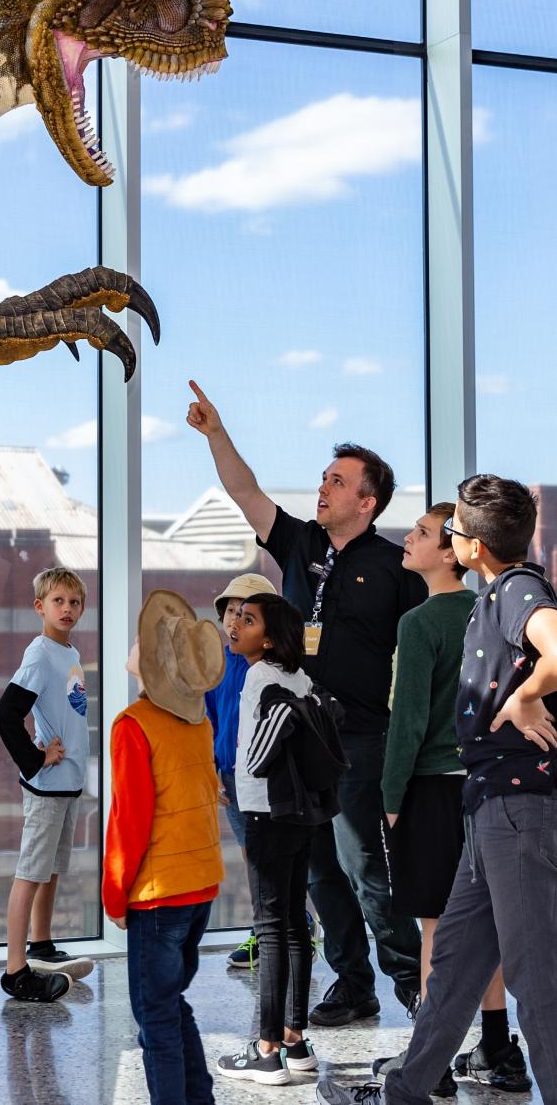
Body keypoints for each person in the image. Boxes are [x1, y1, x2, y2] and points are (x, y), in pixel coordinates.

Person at [186, 380, 425, 1025]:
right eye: (323, 476)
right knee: (317, 868)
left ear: (367, 502)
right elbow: (245, 493)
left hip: (359, 738)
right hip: (293, 733)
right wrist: (215, 433)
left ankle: (414, 985)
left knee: (364, 867)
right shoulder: (300, 543)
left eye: (337, 481)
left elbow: (429, 650)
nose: (323, 487)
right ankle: (353, 985)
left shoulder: (398, 564)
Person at [318, 474, 557, 1105]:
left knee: (535, 977)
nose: (443, 535)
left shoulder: (518, 589)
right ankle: (406, 1090)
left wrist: (528, 697)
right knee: (452, 965)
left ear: (472, 545)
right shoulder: (491, 597)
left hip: (518, 811)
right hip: (487, 807)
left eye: (449, 530)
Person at [373, 503, 527, 1094]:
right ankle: (496, 1048)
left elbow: (406, 719)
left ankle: (429, 1061)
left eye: (421, 533)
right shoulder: (492, 611)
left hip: (431, 789)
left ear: (450, 553)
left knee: (438, 928)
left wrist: (390, 795)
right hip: (487, 783)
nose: (406, 540)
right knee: (485, 924)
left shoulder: (419, 623)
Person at [216, 594, 346, 1086]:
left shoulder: (260, 677)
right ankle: (295, 1039)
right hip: (301, 814)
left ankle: (266, 1050)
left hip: (266, 813)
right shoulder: (300, 678)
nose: (235, 626)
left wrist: (251, 762)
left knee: (270, 927)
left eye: (248, 621)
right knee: (294, 924)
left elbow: (254, 757)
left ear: (267, 640)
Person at [103, 589, 226, 1105]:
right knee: (170, 1004)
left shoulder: (134, 725)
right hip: (201, 884)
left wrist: (114, 895)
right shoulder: (198, 722)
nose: (135, 642)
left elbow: (128, 820)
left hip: (158, 893)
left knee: (155, 1019)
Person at [0, 567, 95, 1001]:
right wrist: (37, 759)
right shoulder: (38, 654)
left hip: (67, 783)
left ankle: (41, 945)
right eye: (59, 601)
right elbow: (5, 714)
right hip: (47, 783)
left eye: (74, 602)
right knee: (31, 873)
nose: (67, 609)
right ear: (40, 607)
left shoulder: (68, 652)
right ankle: (16, 970)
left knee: (51, 870)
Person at [205, 571, 278, 968]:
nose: (235, 621)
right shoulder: (216, 664)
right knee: (252, 855)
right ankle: (263, 929)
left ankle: (289, 926)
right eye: (231, 612)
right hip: (231, 776)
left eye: (246, 615)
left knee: (273, 856)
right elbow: (210, 721)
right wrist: (213, 771)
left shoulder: (269, 669)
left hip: (265, 777)